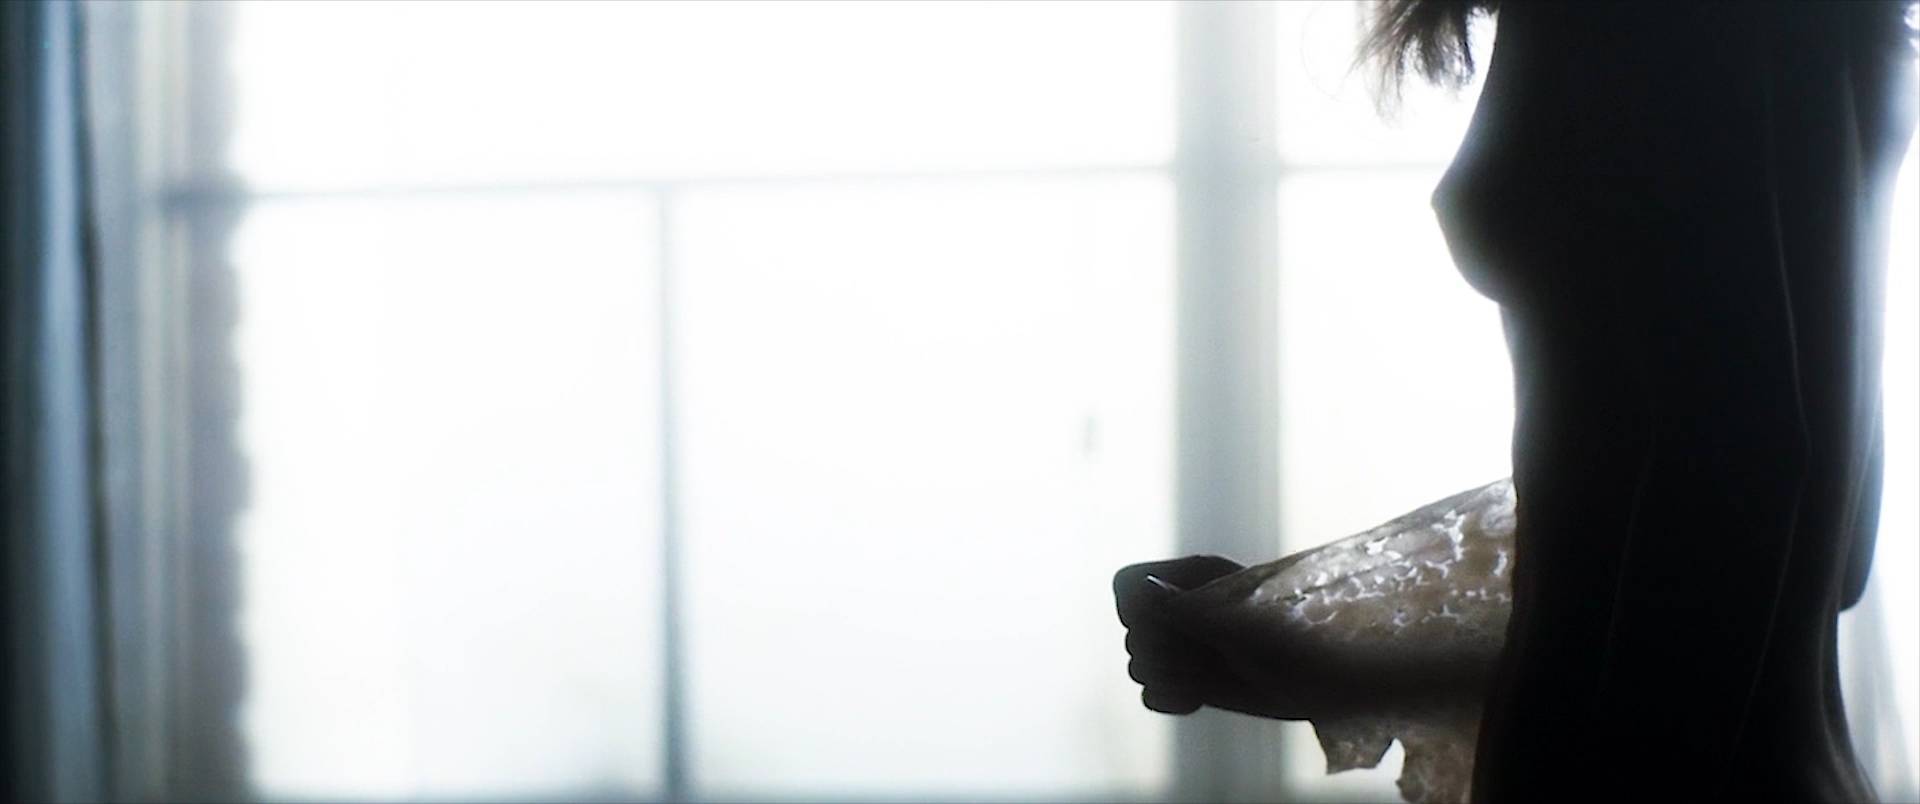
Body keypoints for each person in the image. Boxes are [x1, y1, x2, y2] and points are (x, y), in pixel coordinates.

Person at [1114, 2, 1918, 802]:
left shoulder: (1637, 24)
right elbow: (1812, 561)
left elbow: (1752, 486)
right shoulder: (1815, 34)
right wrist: (1326, 656)